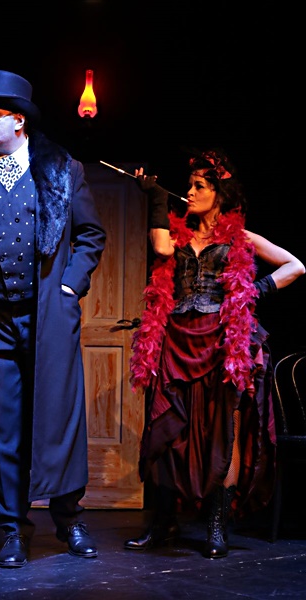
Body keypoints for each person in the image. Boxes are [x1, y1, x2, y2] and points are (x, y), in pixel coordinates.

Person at [0, 70, 106, 568]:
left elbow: (91, 235)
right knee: (0, 427)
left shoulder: (61, 171)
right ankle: (12, 527)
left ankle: (69, 518)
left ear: (19, 120)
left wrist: (70, 285)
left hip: (47, 318)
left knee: (58, 421)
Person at [124, 148, 305, 558]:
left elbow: (295, 266)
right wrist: (155, 197)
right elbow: (161, 249)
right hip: (177, 340)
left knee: (225, 431)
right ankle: (164, 523)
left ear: (219, 194)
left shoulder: (241, 239)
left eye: (199, 186)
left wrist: (252, 291)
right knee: (168, 430)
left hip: (222, 343)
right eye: (189, 185)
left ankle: (217, 524)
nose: (189, 192)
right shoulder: (177, 235)